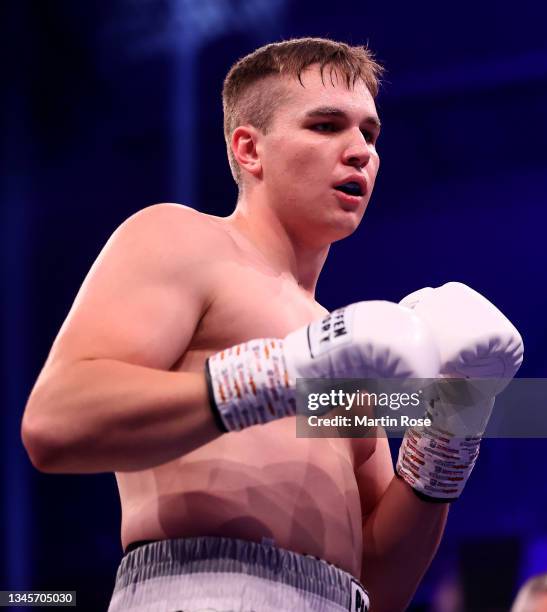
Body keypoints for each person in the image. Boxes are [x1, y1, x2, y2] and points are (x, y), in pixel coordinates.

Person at [22, 38, 523, 611]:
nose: (359, 149)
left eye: (370, 133)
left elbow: (380, 585)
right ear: (249, 149)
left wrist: (451, 426)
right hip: (199, 590)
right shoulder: (182, 240)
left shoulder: (348, 343)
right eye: (326, 125)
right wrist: (283, 370)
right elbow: (56, 421)